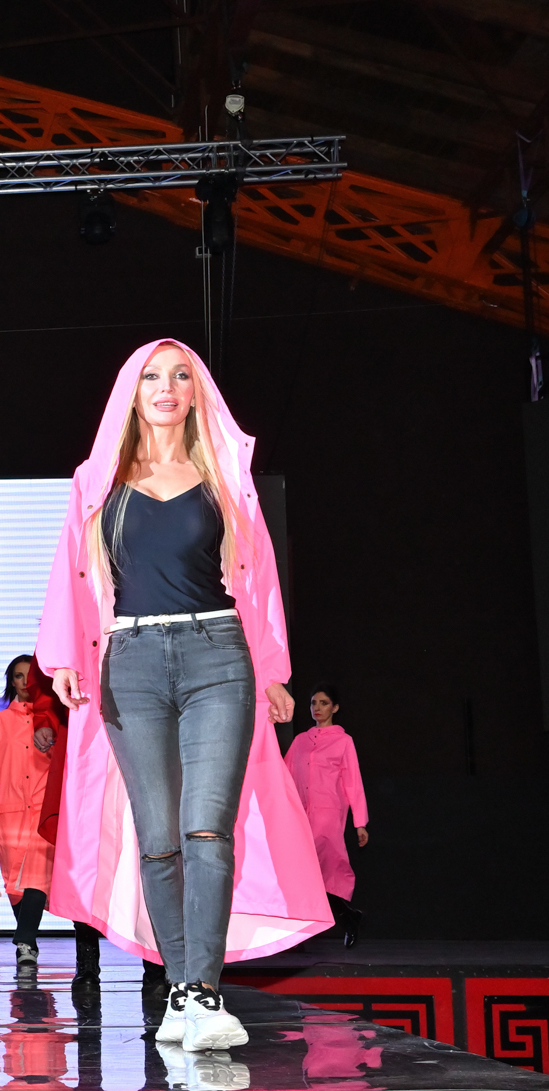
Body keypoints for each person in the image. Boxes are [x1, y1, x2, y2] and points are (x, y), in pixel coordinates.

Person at [36, 339, 328, 1054]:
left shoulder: (224, 476)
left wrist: (273, 669)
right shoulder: (97, 481)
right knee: (159, 836)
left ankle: (202, 990)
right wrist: (63, 656)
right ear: (131, 392)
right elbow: (72, 573)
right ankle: (179, 987)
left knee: (207, 828)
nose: (166, 386)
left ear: (196, 392)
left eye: (180, 376)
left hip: (216, 656)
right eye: (152, 376)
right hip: (131, 662)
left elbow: (258, 577)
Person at [0, 655, 100, 981]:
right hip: (10, 815)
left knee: (37, 877)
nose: (24, 682)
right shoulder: (0, 722)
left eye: (30, 676)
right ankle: (28, 940)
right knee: (15, 886)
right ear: (10, 682)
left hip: (46, 814)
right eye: (18, 676)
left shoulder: (56, 718)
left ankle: (24, 941)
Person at [285, 684, 369, 946]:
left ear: (335, 707)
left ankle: (341, 919)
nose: (317, 708)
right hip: (301, 815)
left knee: (324, 870)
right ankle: (348, 917)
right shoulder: (301, 741)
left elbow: (353, 782)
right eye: (313, 703)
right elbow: (285, 775)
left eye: (323, 703)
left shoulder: (343, 741)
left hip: (328, 815)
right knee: (304, 871)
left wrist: (360, 822)